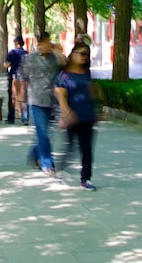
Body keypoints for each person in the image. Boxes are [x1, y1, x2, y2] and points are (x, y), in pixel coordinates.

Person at [54, 42, 97, 191]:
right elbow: (61, 95)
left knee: (86, 149)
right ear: (73, 55)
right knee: (70, 145)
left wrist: (97, 107)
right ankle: (61, 168)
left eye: (87, 54)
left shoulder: (87, 72)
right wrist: (66, 113)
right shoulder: (64, 75)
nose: (85, 57)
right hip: (72, 117)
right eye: (82, 53)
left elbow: (90, 90)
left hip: (87, 116)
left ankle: (86, 178)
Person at [24, 31, 65, 176]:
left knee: (45, 133)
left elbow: (66, 64)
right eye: (45, 42)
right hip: (36, 100)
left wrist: (57, 51)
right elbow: (22, 76)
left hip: (51, 100)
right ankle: (47, 164)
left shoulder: (55, 58)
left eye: (49, 41)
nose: (48, 44)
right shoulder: (30, 58)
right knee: (43, 133)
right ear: (39, 45)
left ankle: (34, 155)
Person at [3, 36, 28, 124]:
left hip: (14, 75)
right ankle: (25, 117)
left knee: (12, 97)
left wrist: (6, 64)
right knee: (24, 97)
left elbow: (7, 64)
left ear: (16, 43)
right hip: (24, 77)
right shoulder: (26, 53)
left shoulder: (12, 52)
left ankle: (11, 118)